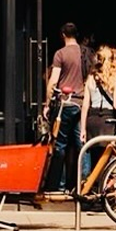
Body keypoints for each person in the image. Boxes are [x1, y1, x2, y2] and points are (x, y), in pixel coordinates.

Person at [42, 22, 86, 193]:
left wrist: (47, 104)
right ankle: (84, 183)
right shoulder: (85, 53)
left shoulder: (60, 54)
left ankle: (58, 185)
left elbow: (53, 81)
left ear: (62, 35)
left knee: (60, 144)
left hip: (65, 103)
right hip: (82, 102)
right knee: (82, 143)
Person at [79, 44, 116, 190]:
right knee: (105, 159)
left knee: (94, 158)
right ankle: (102, 190)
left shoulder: (91, 79)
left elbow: (85, 105)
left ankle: (93, 189)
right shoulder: (115, 80)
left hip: (92, 119)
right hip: (107, 120)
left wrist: (83, 129)